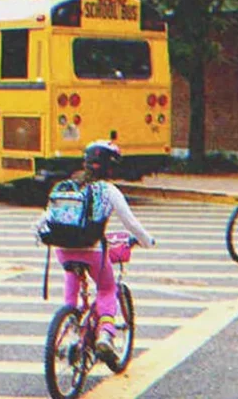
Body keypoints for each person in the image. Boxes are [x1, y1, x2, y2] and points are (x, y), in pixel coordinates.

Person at [34, 140, 155, 361]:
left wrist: (36, 234)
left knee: (71, 293)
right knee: (107, 289)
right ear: (111, 167)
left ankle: (70, 331)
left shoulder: (67, 186)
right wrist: (146, 240)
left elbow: (44, 218)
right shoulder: (108, 190)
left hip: (63, 250)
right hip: (92, 251)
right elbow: (131, 223)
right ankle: (105, 336)